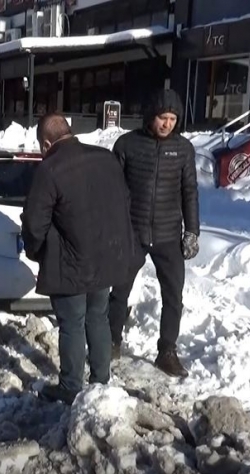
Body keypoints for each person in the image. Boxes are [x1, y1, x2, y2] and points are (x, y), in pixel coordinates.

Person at [21, 113, 136, 405]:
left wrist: (36, 252)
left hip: (70, 263)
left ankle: (71, 386)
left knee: (72, 323)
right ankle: (101, 381)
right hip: (106, 258)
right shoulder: (106, 159)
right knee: (98, 317)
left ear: (46, 143)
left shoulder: (50, 169)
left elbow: (35, 222)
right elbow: (124, 202)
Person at [108, 89, 200, 378]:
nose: (168, 124)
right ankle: (111, 341)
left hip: (168, 234)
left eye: (173, 118)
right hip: (132, 232)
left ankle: (167, 351)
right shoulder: (127, 145)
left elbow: (190, 191)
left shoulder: (184, 149)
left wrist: (192, 231)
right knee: (119, 290)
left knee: (173, 296)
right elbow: (113, 190)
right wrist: (113, 228)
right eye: (163, 117)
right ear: (152, 116)